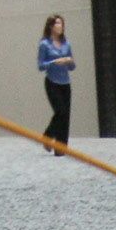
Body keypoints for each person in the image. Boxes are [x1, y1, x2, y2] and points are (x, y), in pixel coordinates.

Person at [35, 15, 75, 148]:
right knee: (60, 112)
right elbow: (41, 66)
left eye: (61, 24)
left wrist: (69, 62)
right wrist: (55, 62)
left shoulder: (66, 44)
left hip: (65, 83)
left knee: (66, 116)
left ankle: (62, 147)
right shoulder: (45, 44)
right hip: (52, 82)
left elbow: (72, 67)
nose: (60, 27)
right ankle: (48, 136)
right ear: (51, 26)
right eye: (57, 24)